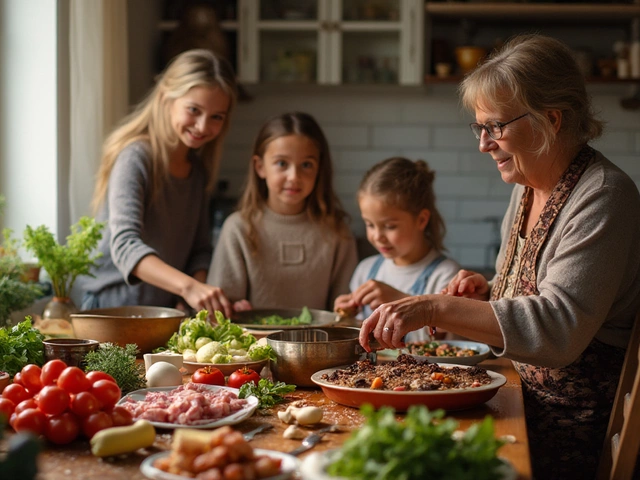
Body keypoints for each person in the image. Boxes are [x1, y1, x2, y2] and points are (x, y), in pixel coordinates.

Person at [359, 34, 640, 480]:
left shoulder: (604, 196)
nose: (484, 144)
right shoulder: (529, 187)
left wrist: (434, 306)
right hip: (519, 399)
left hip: (568, 431)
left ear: (550, 120)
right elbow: (535, 292)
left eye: (496, 127)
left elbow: (559, 329)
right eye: (480, 128)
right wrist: (488, 290)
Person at [81, 49, 237, 317]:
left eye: (216, 117)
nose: (202, 126)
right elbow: (125, 245)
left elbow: (199, 250)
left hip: (161, 314)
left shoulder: (197, 171)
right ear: (166, 98)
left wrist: (195, 294)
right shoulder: (136, 157)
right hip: (111, 310)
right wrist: (188, 287)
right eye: (194, 110)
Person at [207, 112, 358, 311]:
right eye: (281, 164)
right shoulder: (238, 228)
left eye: (306, 165)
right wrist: (233, 308)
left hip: (318, 341)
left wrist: (348, 308)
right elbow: (219, 309)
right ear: (260, 167)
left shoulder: (337, 232)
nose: (294, 176)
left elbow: (345, 311)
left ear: (319, 169)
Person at [333, 157, 460, 342]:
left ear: (421, 220)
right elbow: (357, 337)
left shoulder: (446, 276)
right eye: (370, 224)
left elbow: (448, 344)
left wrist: (402, 301)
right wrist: (345, 317)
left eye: (390, 226)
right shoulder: (365, 270)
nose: (377, 236)